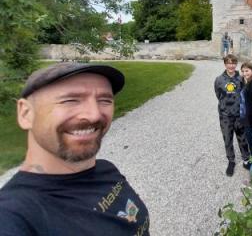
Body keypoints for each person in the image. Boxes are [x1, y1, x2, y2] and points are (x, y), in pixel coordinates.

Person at [0, 63, 150, 235]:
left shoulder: (106, 169)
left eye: (104, 100)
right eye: (70, 100)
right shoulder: (13, 215)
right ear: (26, 114)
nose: (94, 114)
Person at [214, 54, 251, 176]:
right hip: (225, 116)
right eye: (228, 63)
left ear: (236, 64)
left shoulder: (241, 79)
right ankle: (231, 161)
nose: (231, 65)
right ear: (225, 64)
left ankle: (246, 159)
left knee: (242, 138)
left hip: (238, 115)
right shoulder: (219, 80)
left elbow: (244, 94)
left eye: (233, 63)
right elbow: (218, 95)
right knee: (228, 139)